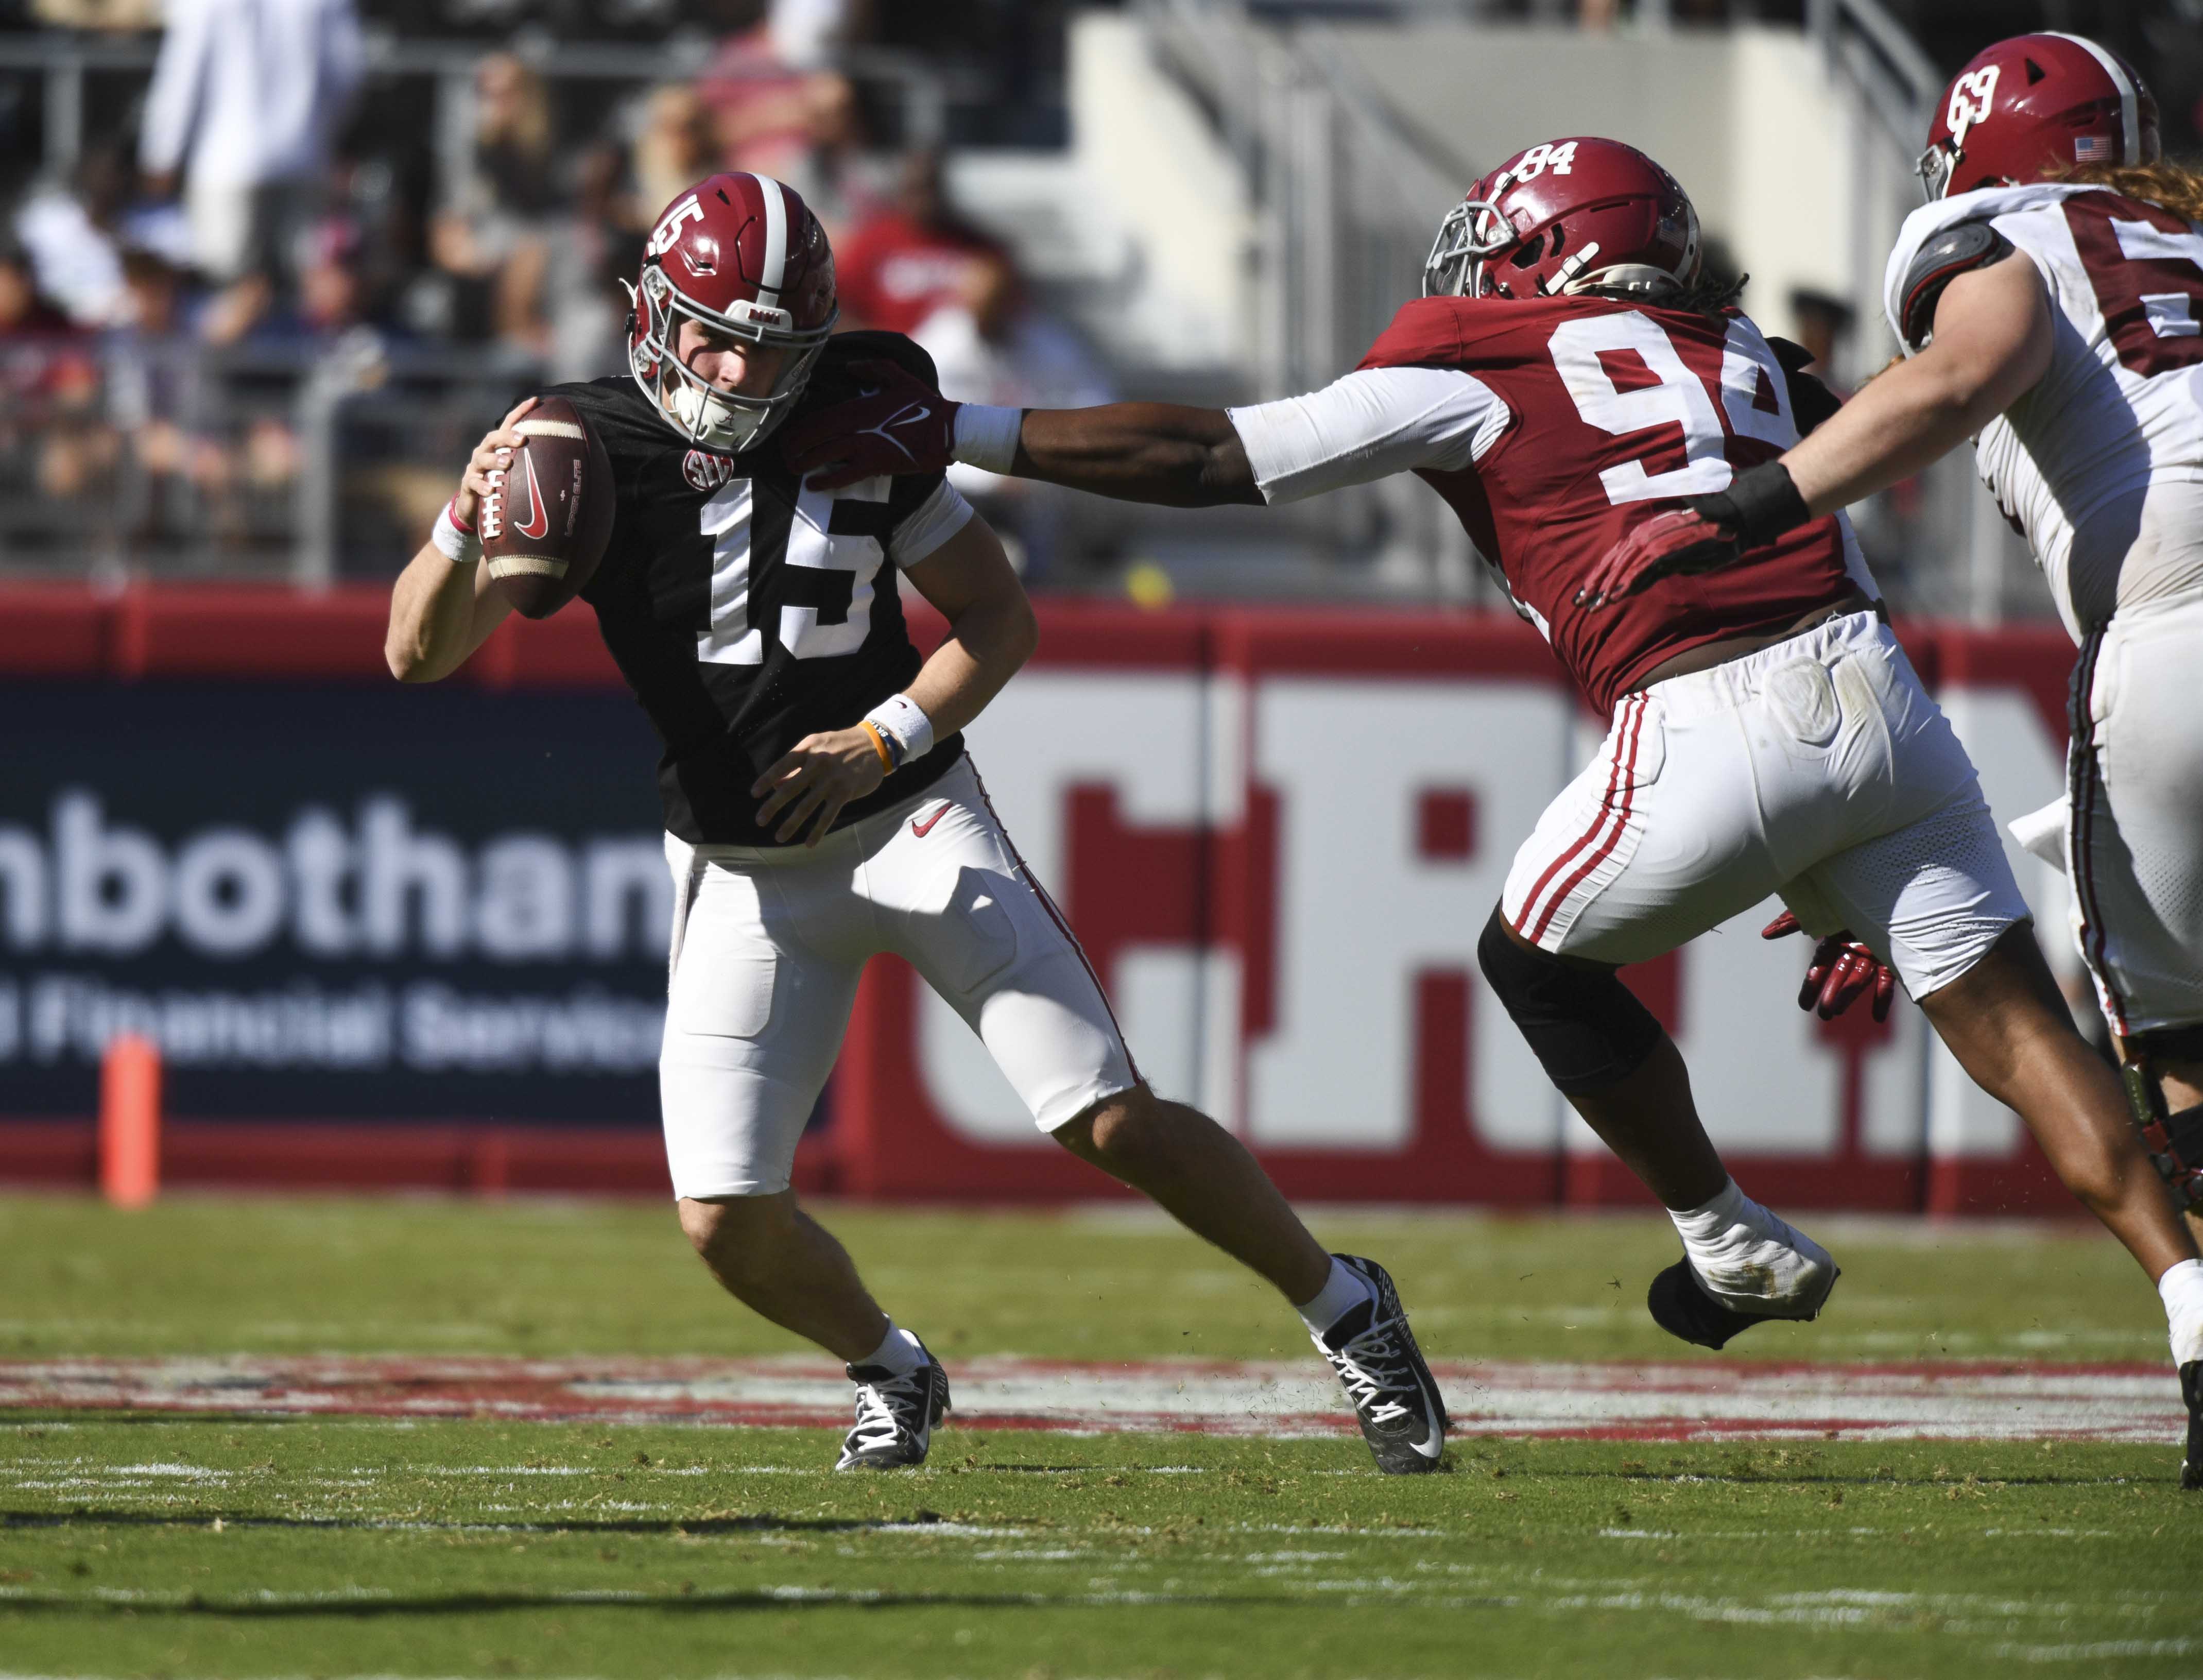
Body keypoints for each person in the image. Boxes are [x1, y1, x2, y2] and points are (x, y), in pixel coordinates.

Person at [784, 135, 2203, 1487]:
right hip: (1884, 699)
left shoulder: (1479, 348)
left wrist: (954, 428)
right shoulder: (1748, 356)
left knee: (1532, 955)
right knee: (2020, 1029)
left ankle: (1721, 1233)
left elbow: (1217, 455)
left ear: (1543, 252)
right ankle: (2186, 1295)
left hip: (1705, 706)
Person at [381, 172, 1447, 1476]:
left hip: (908, 819)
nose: (740, 366)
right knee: (725, 1217)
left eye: (773, 344)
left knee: (1104, 1114)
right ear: (651, 313)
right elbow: (414, 655)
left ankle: (1350, 1309)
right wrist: (459, 513)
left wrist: (887, 734)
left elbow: (999, 621)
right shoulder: (581, 445)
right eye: (716, 332)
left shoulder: (855, 424)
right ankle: (893, 1366)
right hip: (745, 870)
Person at [1585, 34, 2203, 1485]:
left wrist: (1756, 500)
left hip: (2165, 612)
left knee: (2174, 1039)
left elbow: (1969, 365)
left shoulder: (1980, 229)